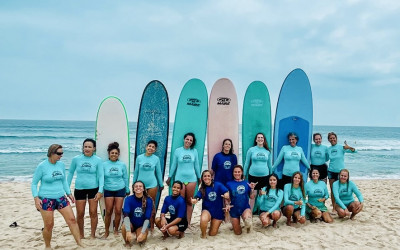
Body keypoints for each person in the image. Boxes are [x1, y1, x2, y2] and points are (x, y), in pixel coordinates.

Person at [31, 144, 82, 249]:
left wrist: (69, 194)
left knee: (72, 220)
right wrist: (36, 198)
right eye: (59, 153)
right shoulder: (42, 166)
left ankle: (79, 243)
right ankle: (48, 246)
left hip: (61, 197)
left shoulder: (61, 165)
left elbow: (63, 181)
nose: (61, 155)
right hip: (46, 199)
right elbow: (34, 184)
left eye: (62, 153)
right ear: (51, 153)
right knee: (49, 225)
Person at [67, 138, 103, 239]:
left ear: (94, 148)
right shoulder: (76, 159)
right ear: (83, 148)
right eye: (85, 147)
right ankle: (81, 235)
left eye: (89, 147)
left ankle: (92, 235)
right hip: (79, 189)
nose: (87, 148)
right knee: (80, 213)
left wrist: (100, 191)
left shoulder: (98, 160)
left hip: (93, 189)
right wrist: (67, 189)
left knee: (93, 212)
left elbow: (101, 176)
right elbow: (70, 173)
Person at [166, 132, 201, 226]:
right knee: (180, 202)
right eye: (187, 139)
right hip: (179, 179)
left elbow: (196, 165)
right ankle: (180, 222)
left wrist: (199, 177)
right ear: (184, 139)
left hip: (191, 179)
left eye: (191, 140)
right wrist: (169, 177)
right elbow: (174, 165)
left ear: (192, 142)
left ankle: (188, 223)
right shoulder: (178, 151)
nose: (188, 141)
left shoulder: (194, 151)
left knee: (189, 202)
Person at [133, 140, 163, 231]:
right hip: (140, 186)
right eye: (149, 146)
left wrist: (161, 184)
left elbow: (158, 172)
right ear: (146, 147)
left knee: (151, 206)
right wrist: (133, 184)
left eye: (153, 147)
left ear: (155, 149)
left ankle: (152, 226)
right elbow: (136, 172)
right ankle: (141, 224)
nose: (151, 148)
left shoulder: (156, 159)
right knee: (140, 205)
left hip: (152, 185)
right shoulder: (139, 158)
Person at [102, 142, 130, 238]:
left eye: (116, 153)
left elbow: (125, 178)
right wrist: (100, 190)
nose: (114, 155)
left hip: (120, 189)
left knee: (118, 211)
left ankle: (116, 230)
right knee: (109, 211)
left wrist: (127, 188)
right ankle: (106, 231)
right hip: (108, 189)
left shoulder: (122, 165)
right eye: (112, 153)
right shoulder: (104, 164)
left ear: (118, 154)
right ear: (109, 154)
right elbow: (101, 178)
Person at [191, 170, 229, 238]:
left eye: (208, 176)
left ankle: (213, 224)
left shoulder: (218, 185)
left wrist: (226, 194)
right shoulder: (202, 188)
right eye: (205, 176)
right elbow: (197, 196)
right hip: (207, 210)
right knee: (203, 219)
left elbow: (226, 192)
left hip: (218, 212)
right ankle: (203, 235)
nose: (207, 177)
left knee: (212, 234)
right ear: (202, 178)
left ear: (211, 177)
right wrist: (194, 200)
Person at [327, 132, 356, 207]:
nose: (332, 139)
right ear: (328, 140)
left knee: (340, 190)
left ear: (336, 139)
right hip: (331, 171)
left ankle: (341, 206)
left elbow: (354, 151)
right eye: (331, 138)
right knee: (333, 191)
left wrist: (349, 147)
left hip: (341, 173)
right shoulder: (328, 149)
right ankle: (334, 207)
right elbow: (326, 158)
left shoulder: (341, 147)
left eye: (334, 138)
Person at [226, 165, 256, 235]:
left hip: (245, 208)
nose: (237, 173)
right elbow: (227, 198)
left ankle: (248, 227)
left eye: (239, 172)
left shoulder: (246, 183)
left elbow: (252, 197)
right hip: (234, 209)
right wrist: (227, 204)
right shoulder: (229, 184)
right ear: (233, 173)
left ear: (242, 172)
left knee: (248, 222)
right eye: (235, 172)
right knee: (238, 232)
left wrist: (252, 189)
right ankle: (235, 224)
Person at [121, 181, 153, 246]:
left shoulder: (149, 200)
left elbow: (147, 218)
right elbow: (126, 215)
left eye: (140, 186)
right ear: (133, 189)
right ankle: (127, 243)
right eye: (136, 186)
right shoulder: (128, 199)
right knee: (124, 226)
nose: (138, 187)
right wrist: (128, 231)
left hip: (141, 225)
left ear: (144, 189)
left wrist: (142, 233)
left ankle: (138, 235)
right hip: (131, 224)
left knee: (141, 240)